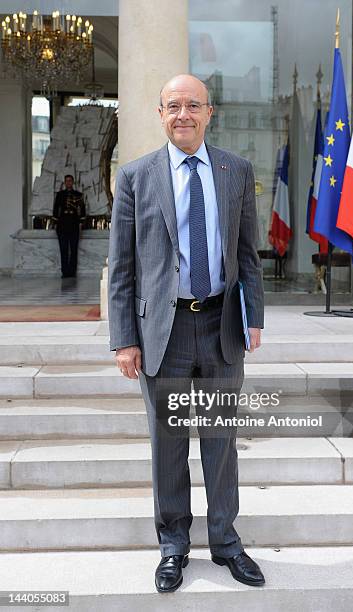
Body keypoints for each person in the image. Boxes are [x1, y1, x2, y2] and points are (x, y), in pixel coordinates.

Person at [108, 74, 265, 593]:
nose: (182, 114)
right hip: (164, 330)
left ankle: (225, 543)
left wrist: (254, 316)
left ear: (209, 112)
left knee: (221, 440)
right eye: (172, 106)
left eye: (192, 105)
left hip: (221, 324)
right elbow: (123, 265)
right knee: (169, 442)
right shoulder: (135, 177)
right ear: (160, 114)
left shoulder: (235, 171)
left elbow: (247, 253)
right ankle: (173, 546)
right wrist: (124, 337)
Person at [52, 174, 86, 278]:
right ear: (64, 182)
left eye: (70, 181)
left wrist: (81, 223)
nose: (68, 183)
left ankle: (72, 272)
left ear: (73, 182)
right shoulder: (60, 195)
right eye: (66, 181)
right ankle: (65, 272)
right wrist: (55, 223)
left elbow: (83, 210)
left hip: (74, 225)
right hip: (62, 225)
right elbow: (55, 209)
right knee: (64, 250)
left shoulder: (78, 195)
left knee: (74, 250)